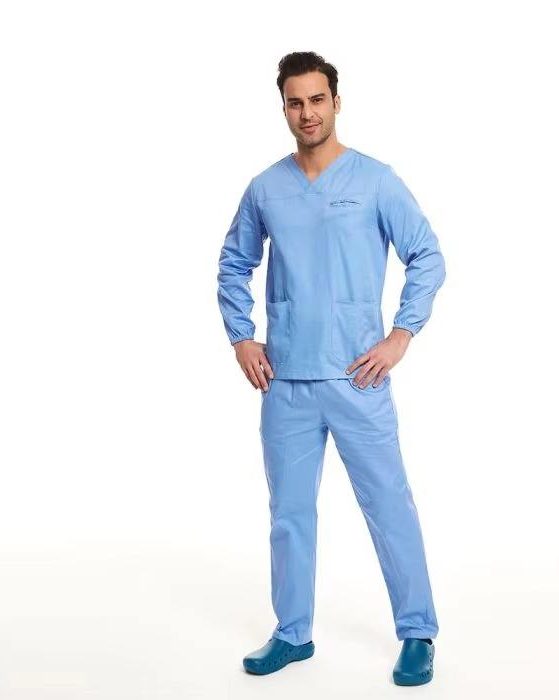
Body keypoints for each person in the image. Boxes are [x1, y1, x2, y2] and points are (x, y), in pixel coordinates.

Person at [216, 51, 446, 686]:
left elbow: (426, 255)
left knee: (389, 505)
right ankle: (292, 633)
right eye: (295, 102)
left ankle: (418, 631)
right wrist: (242, 337)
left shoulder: (375, 181)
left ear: (336, 103)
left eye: (317, 100)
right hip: (286, 380)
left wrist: (400, 335)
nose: (307, 113)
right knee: (289, 515)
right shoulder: (266, 189)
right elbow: (233, 263)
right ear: (284, 108)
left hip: (358, 377)